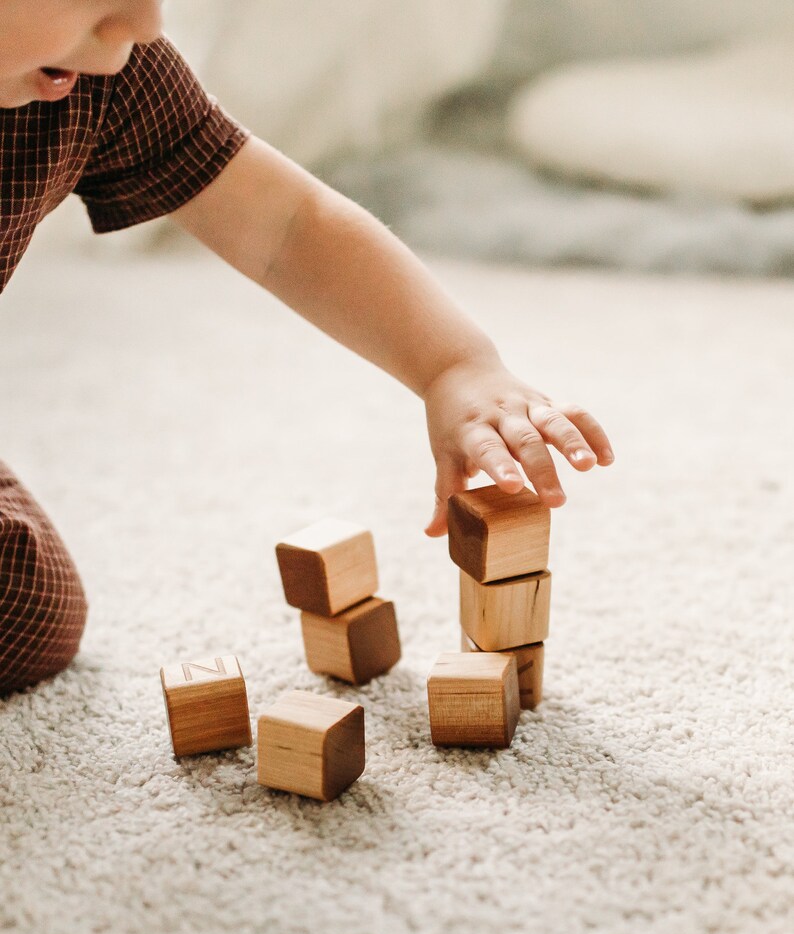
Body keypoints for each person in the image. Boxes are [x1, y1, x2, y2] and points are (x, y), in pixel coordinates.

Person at [0, 0, 614, 696]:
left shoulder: (96, 77)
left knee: (31, 611)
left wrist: (454, 365)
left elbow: (286, 225)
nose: (142, 26)